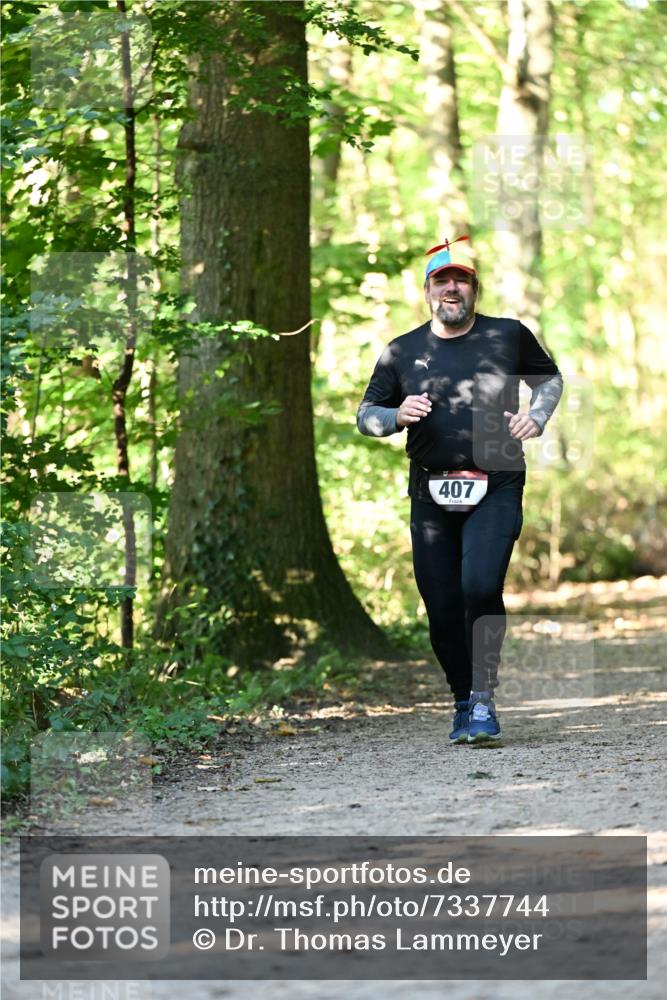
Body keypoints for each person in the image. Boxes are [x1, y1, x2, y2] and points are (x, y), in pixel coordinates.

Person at [356, 236, 563, 745]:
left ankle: (485, 698)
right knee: (442, 603)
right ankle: (462, 699)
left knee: (479, 585)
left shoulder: (508, 335)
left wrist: (536, 417)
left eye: (461, 280)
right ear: (427, 291)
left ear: (475, 288)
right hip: (430, 493)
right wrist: (394, 416)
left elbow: (549, 380)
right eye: (442, 281)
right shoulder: (401, 351)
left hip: (496, 483)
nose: (452, 288)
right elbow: (366, 415)